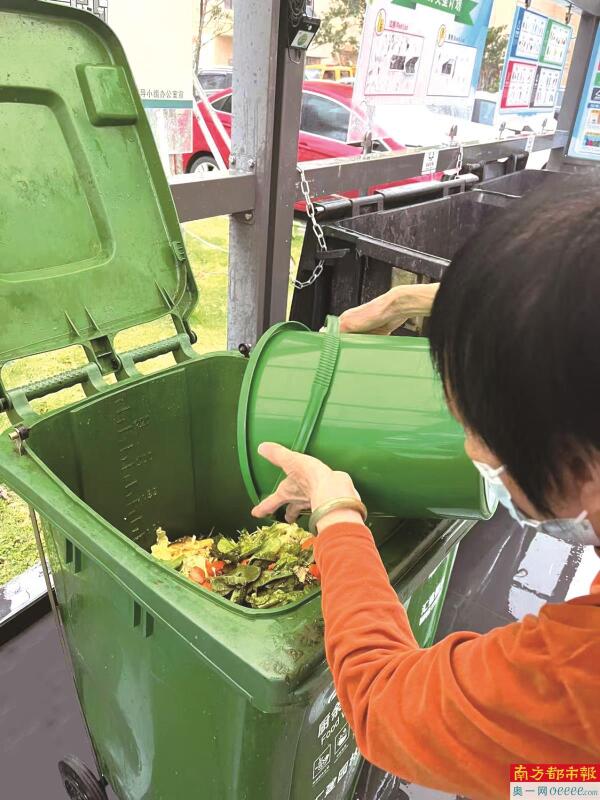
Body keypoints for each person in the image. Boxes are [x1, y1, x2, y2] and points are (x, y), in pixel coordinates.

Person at [252, 178, 600, 800]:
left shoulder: (577, 676)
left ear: (576, 467)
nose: (468, 451)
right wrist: (409, 302)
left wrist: (335, 513)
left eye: (475, 431)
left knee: (555, 786)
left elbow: (383, 704)